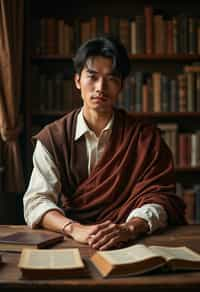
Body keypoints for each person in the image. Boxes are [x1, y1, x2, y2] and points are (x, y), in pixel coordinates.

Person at [24, 35, 185, 250]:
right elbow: (36, 201)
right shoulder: (53, 138)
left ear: (121, 86)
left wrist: (129, 228)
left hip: (131, 241)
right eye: (92, 76)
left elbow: (160, 197)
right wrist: (74, 229)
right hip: (73, 240)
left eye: (111, 79)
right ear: (77, 81)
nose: (100, 87)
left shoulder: (144, 137)